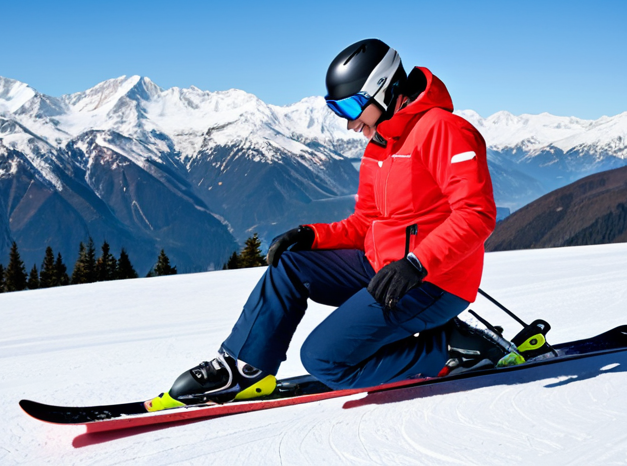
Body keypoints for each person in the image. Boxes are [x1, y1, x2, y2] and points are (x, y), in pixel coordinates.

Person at [146, 38, 497, 411]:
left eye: (351, 106)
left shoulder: (444, 130)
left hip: (432, 281)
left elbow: (476, 214)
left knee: (325, 361)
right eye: (337, 109)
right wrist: (312, 235)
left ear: (384, 88)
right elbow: (367, 222)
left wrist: (417, 264)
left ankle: (445, 349)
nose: (349, 123)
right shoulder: (381, 144)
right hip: (384, 268)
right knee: (290, 267)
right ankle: (245, 367)